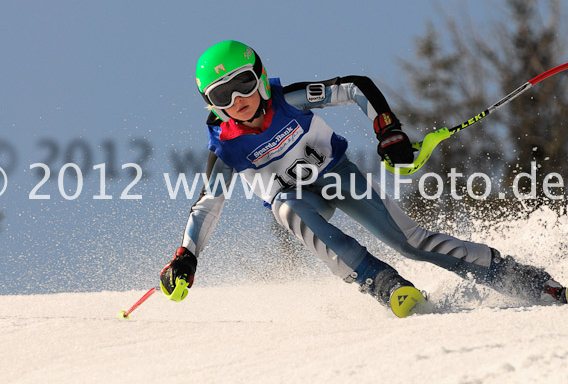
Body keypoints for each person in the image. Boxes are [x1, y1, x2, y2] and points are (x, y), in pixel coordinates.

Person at [160, 40, 567, 316]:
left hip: (337, 176)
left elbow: (355, 87)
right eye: (221, 96)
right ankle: (383, 283)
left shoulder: (288, 99)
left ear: (261, 76)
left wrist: (388, 130)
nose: (238, 101)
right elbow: (207, 204)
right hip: (303, 201)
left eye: (243, 84)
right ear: (211, 105)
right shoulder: (226, 148)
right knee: (286, 207)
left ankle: (529, 281)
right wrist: (187, 256)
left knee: (413, 243)